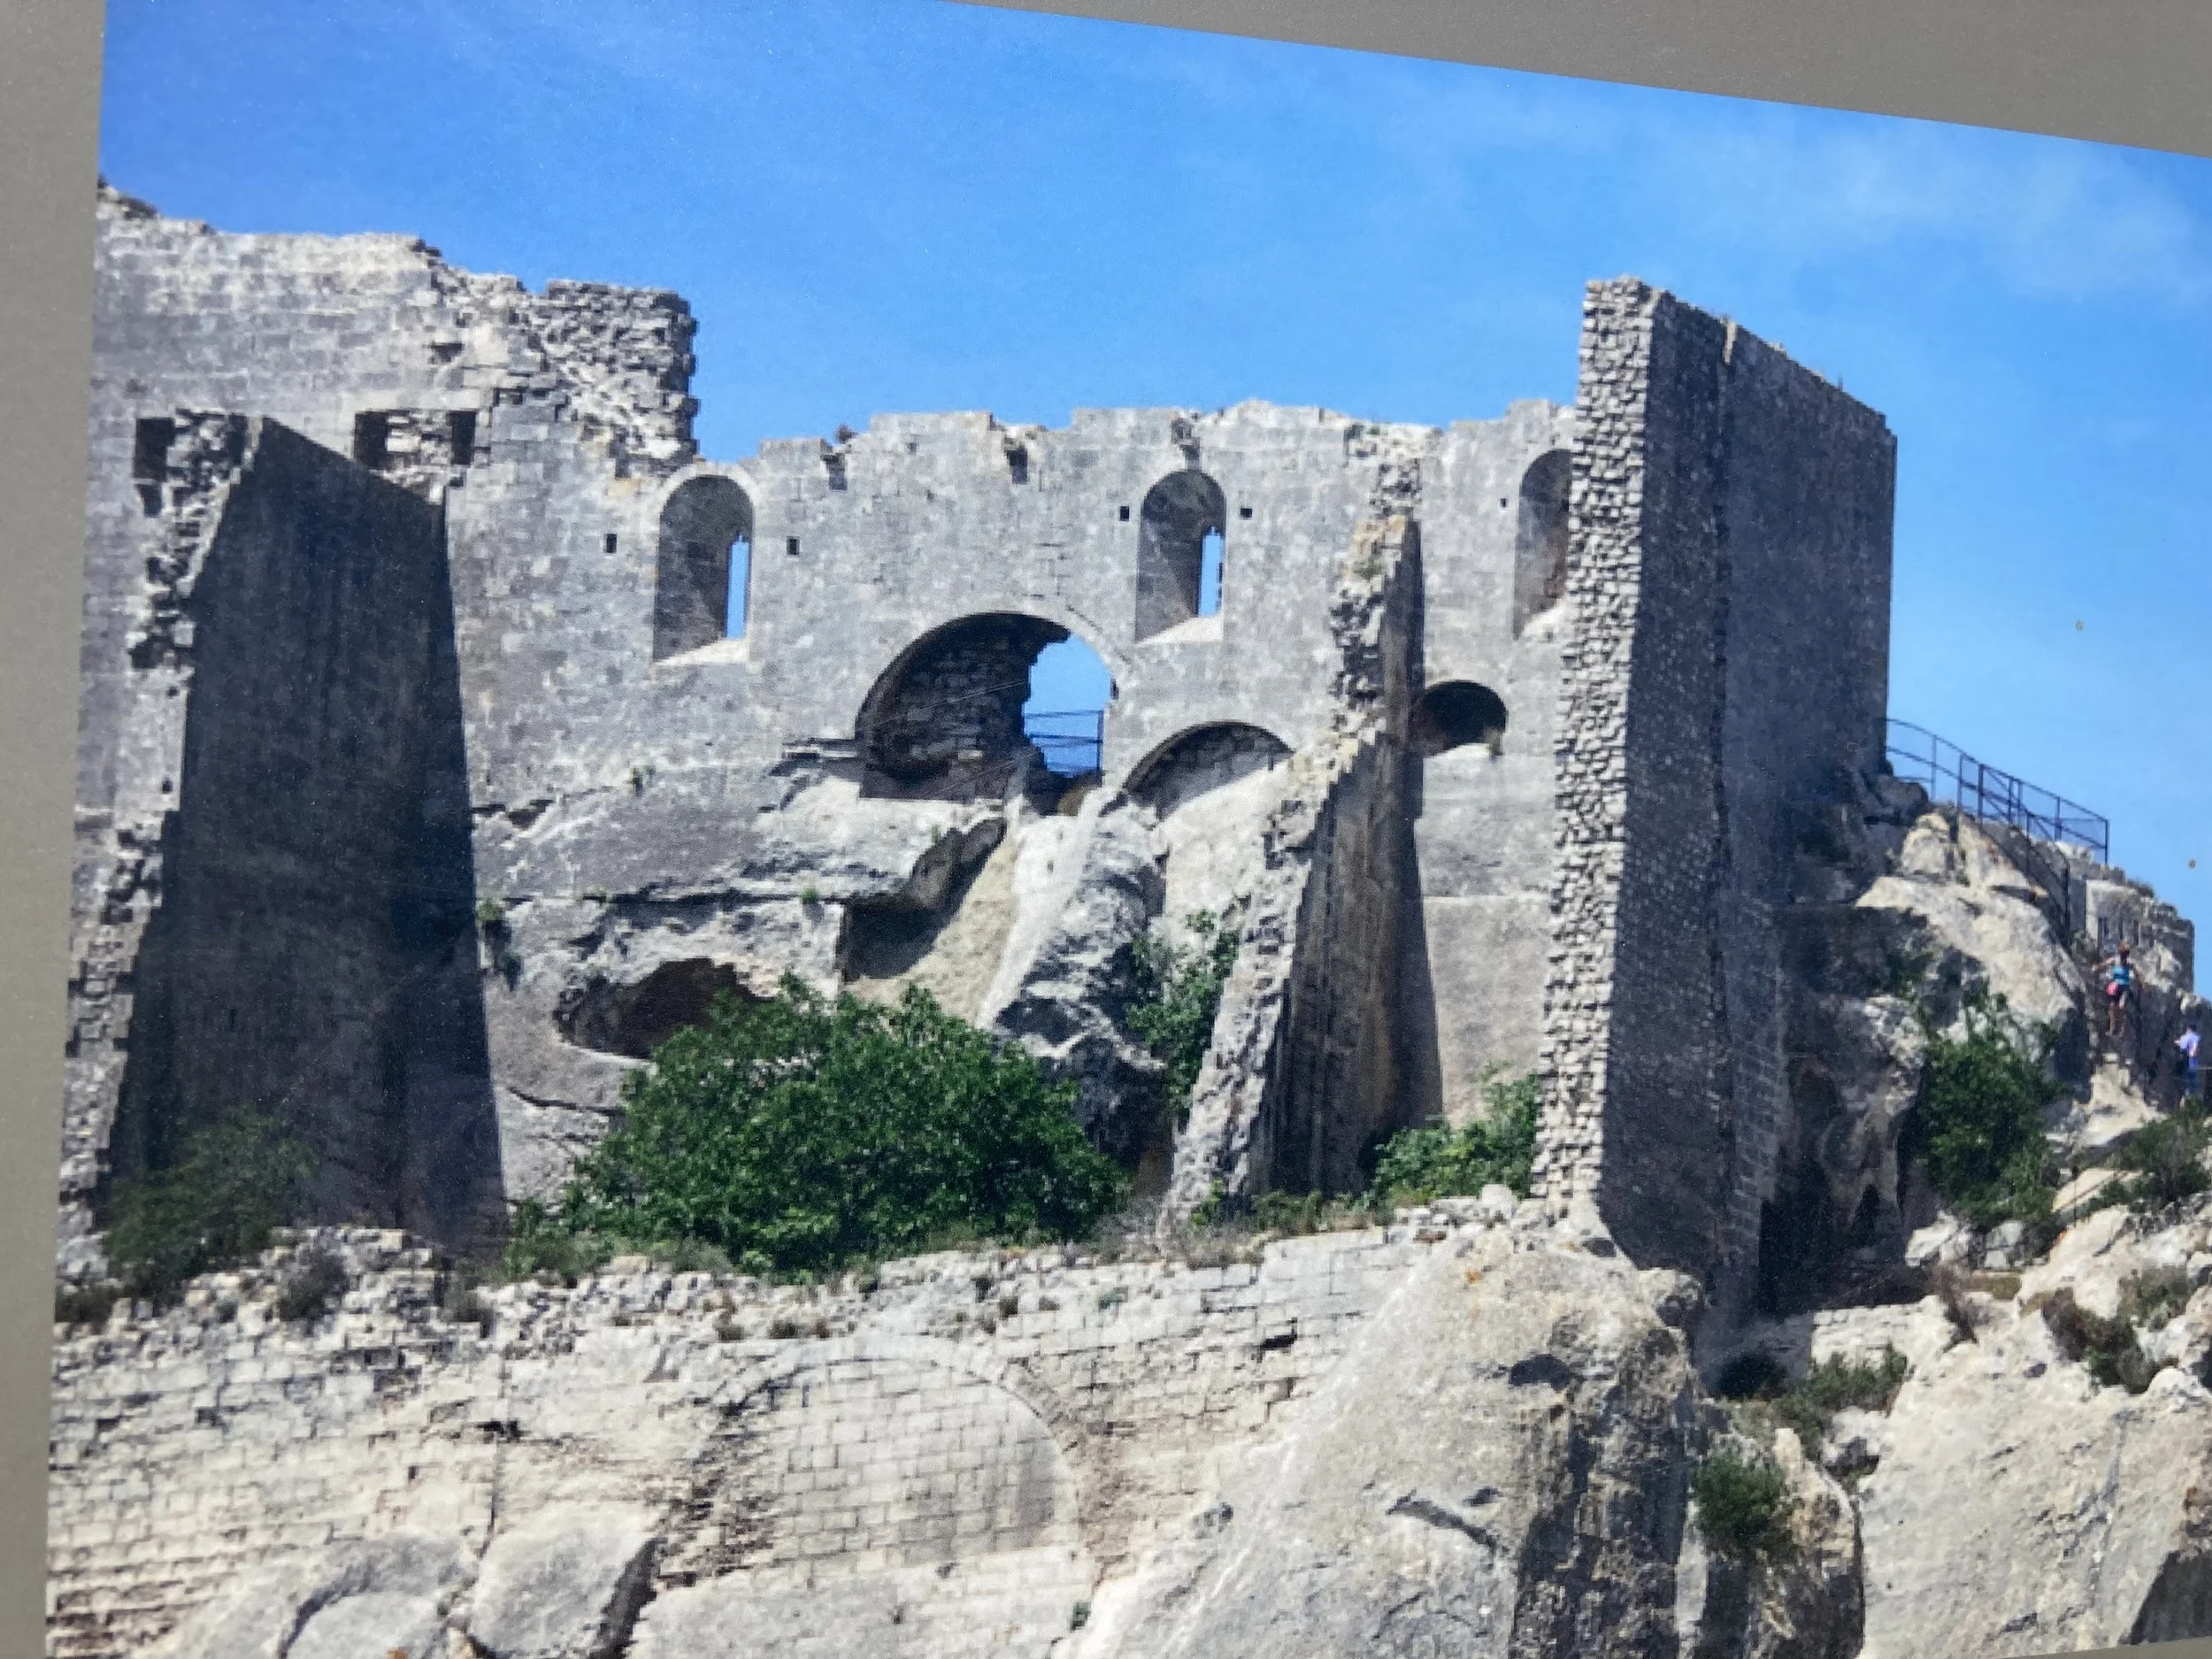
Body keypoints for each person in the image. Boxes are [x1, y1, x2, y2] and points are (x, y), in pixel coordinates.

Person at [2095, 943, 2136, 1041]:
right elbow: (2105, 964)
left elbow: (2137, 973)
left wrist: (2143, 985)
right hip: (2115, 988)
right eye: (2123, 955)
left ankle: (2122, 1028)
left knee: (2121, 1007)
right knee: (2112, 1007)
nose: (2123, 957)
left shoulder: (2129, 964)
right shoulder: (2115, 961)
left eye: (2125, 955)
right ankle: (2112, 1028)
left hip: (2124, 988)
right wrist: (2097, 967)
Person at [2179, 1019, 2202, 1101]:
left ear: (2188, 1029)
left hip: (2181, 1065)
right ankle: (2189, 1102)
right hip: (2192, 1064)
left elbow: (2181, 1047)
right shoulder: (2196, 1037)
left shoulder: (2183, 1037)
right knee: (2191, 1085)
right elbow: (2194, 1049)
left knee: (2181, 1083)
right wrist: (2193, 1053)